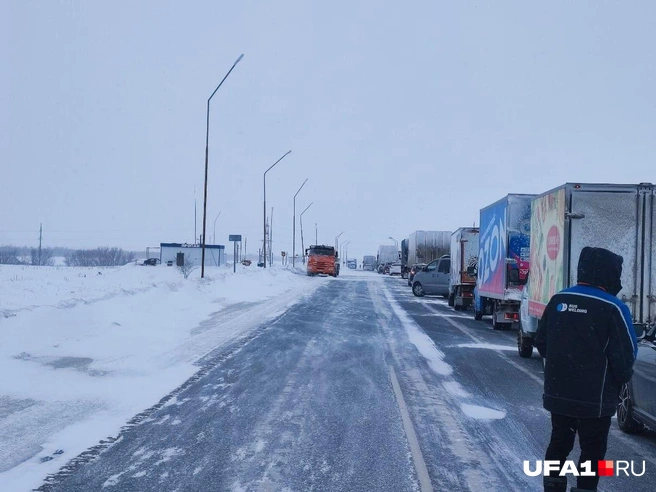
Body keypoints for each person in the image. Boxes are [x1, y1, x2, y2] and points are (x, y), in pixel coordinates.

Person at [535, 246, 637, 492]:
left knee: (558, 443)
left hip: (558, 395)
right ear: (610, 274)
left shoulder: (558, 300)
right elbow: (625, 357)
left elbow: (541, 342)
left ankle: (552, 488)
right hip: (596, 401)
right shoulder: (613, 307)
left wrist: (563, 366)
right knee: (592, 452)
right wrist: (618, 380)